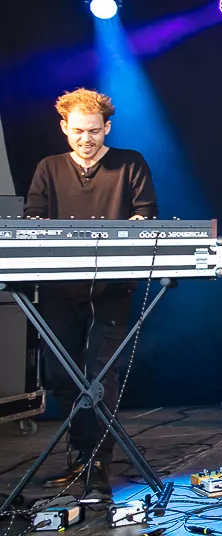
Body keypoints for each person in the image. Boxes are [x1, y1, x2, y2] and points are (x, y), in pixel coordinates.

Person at [24, 88, 158, 502]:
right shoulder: (49, 168)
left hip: (111, 289)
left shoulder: (130, 163)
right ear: (64, 127)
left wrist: (127, 231)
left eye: (94, 131)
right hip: (60, 289)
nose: (86, 139)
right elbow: (32, 220)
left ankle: (98, 463)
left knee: (101, 375)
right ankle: (82, 456)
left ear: (107, 128)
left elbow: (146, 215)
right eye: (79, 131)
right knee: (60, 374)